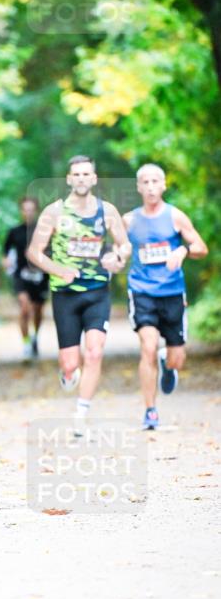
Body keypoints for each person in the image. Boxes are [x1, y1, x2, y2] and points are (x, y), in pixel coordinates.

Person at [26, 155, 131, 433]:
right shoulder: (54, 212)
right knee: (71, 362)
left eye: (87, 174)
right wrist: (58, 269)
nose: (82, 179)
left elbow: (125, 245)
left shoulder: (106, 211)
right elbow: (34, 252)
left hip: (97, 291)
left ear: (94, 179)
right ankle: (69, 371)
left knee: (95, 352)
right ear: (69, 179)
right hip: (65, 295)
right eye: (77, 174)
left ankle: (81, 413)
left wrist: (117, 258)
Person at [123, 163, 208, 429]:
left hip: (172, 293)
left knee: (176, 359)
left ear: (163, 185)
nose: (150, 187)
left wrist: (182, 251)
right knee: (147, 347)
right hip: (142, 291)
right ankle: (150, 411)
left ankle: (167, 364)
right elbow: (118, 249)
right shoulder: (129, 220)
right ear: (138, 187)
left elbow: (200, 247)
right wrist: (116, 257)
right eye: (145, 182)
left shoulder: (176, 217)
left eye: (155, 182)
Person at [2, 196, 49, 360]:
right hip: (21, 276)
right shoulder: (14, 232)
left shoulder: (44, 230)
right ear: (21, 211)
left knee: (37, 311)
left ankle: (35, 335)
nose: (28, 213)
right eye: (25, 209)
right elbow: (6, 251)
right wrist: (6, 260)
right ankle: (26, 342)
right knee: (24, 308)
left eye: (31, 209)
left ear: (35, 211)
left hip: (40, 276)